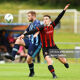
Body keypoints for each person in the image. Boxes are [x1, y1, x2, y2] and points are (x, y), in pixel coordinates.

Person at [21, 4, 70, 79]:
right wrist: (25, 34)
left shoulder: (52, 25)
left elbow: (59, 17)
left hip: (53, 47)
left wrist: (64, 10)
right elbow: (33, 30)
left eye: (46, 19)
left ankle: (65, 63)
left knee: (63, 61)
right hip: (45, 48)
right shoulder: (41, 27)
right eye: (44, 19)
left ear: (50, 20)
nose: (45, 20)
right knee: (49, 61)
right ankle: (54, 74)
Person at [5, 11, 41, 77]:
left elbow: (37, 30)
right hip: (29, 41)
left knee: (28, 60)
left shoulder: (37, 22)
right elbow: (26, 31)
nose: (28, 17)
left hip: (35, 44)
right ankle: (13, 56)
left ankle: (32, 72)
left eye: (29, 16)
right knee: (18, 40)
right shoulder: (31, 24)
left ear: (33, 16)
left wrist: (36, 34)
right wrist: (22, 35)